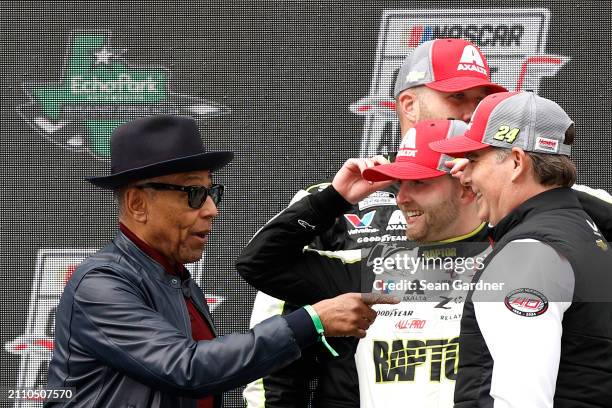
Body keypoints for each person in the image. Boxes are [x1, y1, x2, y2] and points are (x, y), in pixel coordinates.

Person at [242, 38, 612, 407]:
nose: (470, 112)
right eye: (457, 98)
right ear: (408, 104)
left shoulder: (512, 210)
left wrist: (536, 184)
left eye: (479, 100)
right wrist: (333, 200)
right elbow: (271, 314)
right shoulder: (335, 203)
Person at [45, 115, 397, 408]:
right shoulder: (99, 285)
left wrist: (336, 198)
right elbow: (187, 369)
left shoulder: (175, 280)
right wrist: (314, 321)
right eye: (194, 194)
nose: (212, 210)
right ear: (137, 204)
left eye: (212, 192)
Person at [429, 91, 612, 407]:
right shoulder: (587, 235)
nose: (464, 175)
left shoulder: (528, 254)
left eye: (473, 159)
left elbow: (522, 400)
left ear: (516, 162)